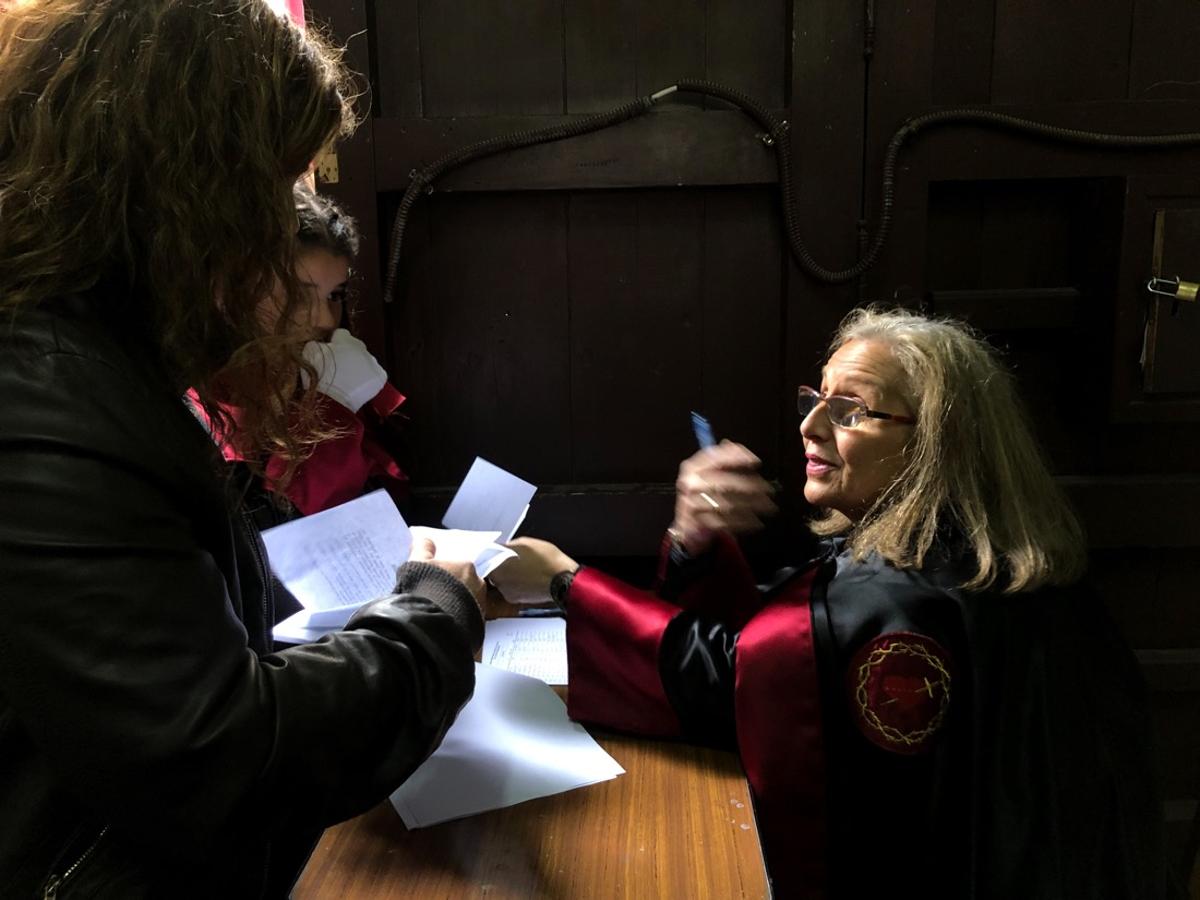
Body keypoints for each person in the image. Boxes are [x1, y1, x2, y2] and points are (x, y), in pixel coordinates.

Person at [0, 2, 484, 896]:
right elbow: (218, 757)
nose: (281, 224)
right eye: (272, 189)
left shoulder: (107, 362)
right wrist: (438, 611)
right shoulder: (46, 397)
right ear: (185, 184)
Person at [491, 307, 1176, 898]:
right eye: (814, 400)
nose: (810, 427)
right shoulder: (990, 551)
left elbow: (738, 685)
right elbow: (794, 650)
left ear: (933, 445)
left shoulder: (905, 602)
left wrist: (564, 581)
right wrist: (697, 541)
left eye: (849, 411)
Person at [203, 184, 410, 529]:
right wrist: (331, 408)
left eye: (335, 295)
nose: (326, 319)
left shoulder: (331, 365)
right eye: (300, 297)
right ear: (238, 292)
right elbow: (272, 532)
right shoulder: (209, 400)